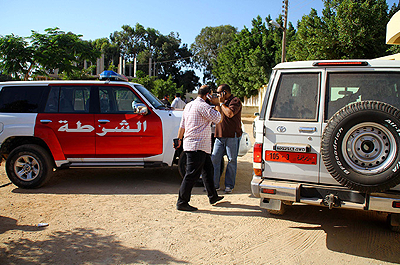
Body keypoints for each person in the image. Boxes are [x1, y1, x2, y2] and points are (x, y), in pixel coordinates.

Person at [174, 85, 224, 211]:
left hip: (194, 145)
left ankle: (213, 196)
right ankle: (182, 202)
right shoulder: (203, 106)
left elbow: (182, 125)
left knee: (208, 170)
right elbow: (218, 119)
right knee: (191, 175)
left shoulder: (189, 105)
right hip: (198, 145)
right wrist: (217, 104)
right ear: (207, 94)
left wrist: (179, 139)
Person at [212, 84, 242, 194]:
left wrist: (221, 103)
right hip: (220, 135)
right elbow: (218, 114)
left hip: (232, 136)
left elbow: (230, 114)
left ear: (225, 92)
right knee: (215, 159)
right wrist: (217, 104)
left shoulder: (235, 101)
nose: (218, 95)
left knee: (231, 160)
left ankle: (229, 185)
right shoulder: (222, 103)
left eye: (219, 93)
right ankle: (214, 185)